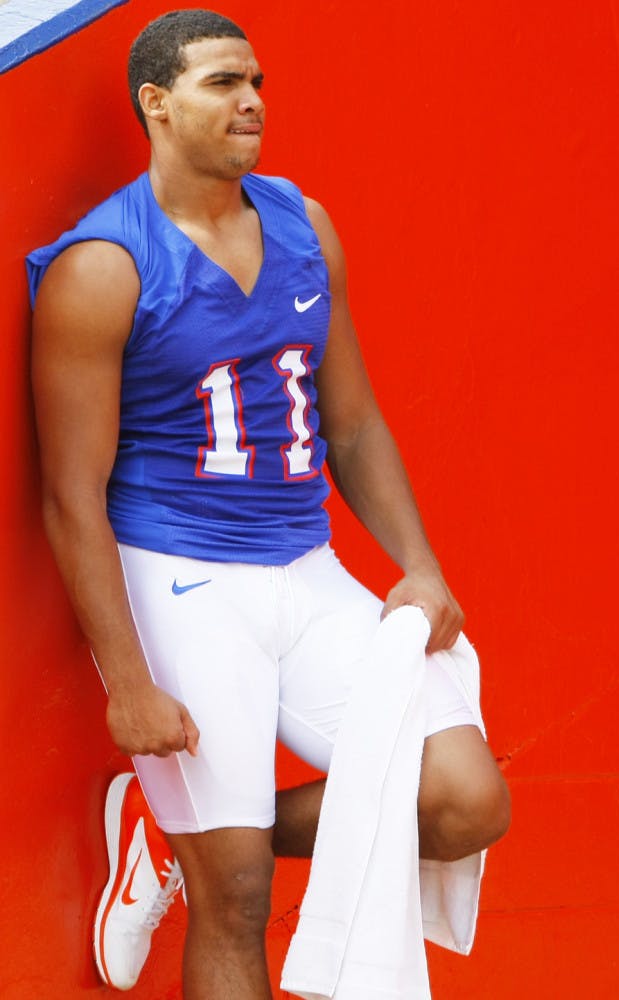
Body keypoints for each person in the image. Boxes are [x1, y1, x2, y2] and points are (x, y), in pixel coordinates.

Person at [28, 9, 510, 998]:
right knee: (238, 896)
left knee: (465, 800)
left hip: (306, 563)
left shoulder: (303, 223)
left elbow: (357, 422)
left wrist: (419, 563)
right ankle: (203, 846)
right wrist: (126, 680)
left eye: (256, 81)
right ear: (156, 104)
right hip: (183, 577)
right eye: (221, 83)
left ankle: (175, 834)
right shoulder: (102, 268)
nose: (251, 101)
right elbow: (71, 495)